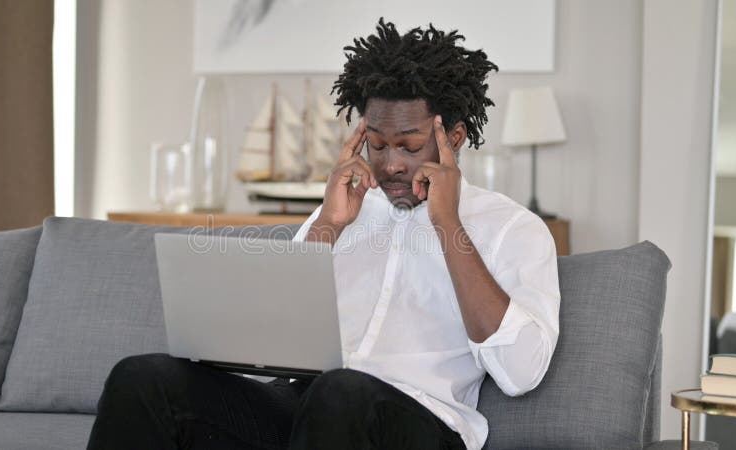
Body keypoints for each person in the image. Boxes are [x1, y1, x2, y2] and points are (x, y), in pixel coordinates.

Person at [87, 18, 560, 450]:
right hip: (304, 408)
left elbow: (522, 372)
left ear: (452, 139)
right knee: (143, 379)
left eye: (409, 146)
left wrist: (447, 224)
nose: (391, 163)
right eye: (376, 143)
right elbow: (270, 339)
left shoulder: (512, 228)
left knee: (341, 390)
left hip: (418, 423)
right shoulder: (341, 211)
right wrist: (328, 228)